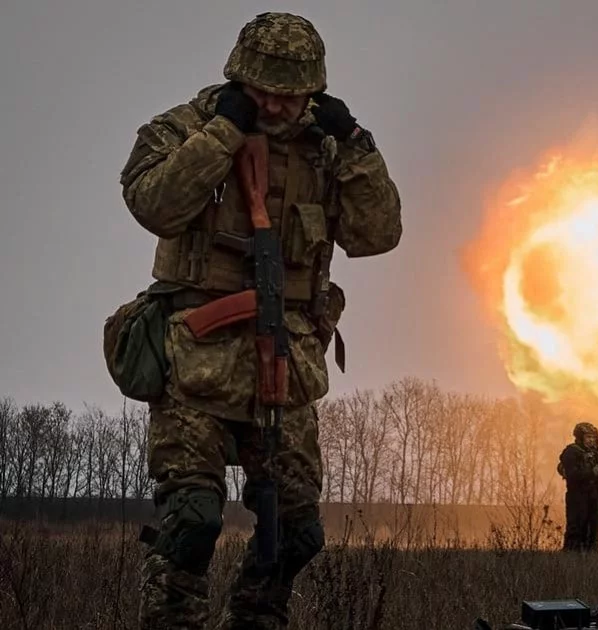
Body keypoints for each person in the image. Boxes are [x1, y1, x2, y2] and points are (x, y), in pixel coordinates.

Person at [115, 12, 403, 629]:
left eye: (291, 93)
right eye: (264, 89)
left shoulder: (328, 148)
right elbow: (155, 204)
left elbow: (378, 234)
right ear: (240, 77)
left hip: (287, 365)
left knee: (295, 533)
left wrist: (357, 143)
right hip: (196, 364)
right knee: (191, 523)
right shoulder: (185, 128)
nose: (276, 104)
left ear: (314, 91)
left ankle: (256, 618)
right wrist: (224, 133)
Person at [558, 422, 598, 552]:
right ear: (580, 437)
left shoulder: (597, 453)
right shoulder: (571, 452)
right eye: (588, 437)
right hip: (578, 496)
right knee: (577, 527)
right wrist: (591, 473)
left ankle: (593, 556)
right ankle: (572, 556)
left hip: (594, 495)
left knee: (596, 526)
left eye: (593, 437)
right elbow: (572, 475)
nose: (591, 440)